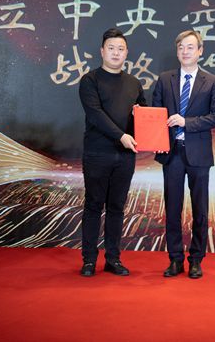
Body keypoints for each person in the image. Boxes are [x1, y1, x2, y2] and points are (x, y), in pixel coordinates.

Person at [152, 30, 215, 279]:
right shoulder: (165, 79)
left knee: (200, 209)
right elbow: (156, 114)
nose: (185, 51)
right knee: (172, 208)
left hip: (199, 154)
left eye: (190, 47)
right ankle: (175, 259)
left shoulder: (211, 81)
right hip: (171, 152)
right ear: (177, 51)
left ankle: (196, 260)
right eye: (181, 47)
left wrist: (187, 122)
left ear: (200, 51)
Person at [78, 27, 146, 277]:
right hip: (97, 153)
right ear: (102, 51)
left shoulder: (134, 83)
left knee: (117, 207)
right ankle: (88, 260)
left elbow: (144, 115)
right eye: (111, 48)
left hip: (125, 156)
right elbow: (95, 115)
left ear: (126, 53)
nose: (116, 53)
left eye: (120, 49)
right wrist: (121, 136)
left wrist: (144, 122)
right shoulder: (90, 80)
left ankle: (113, 259)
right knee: (94, 205)